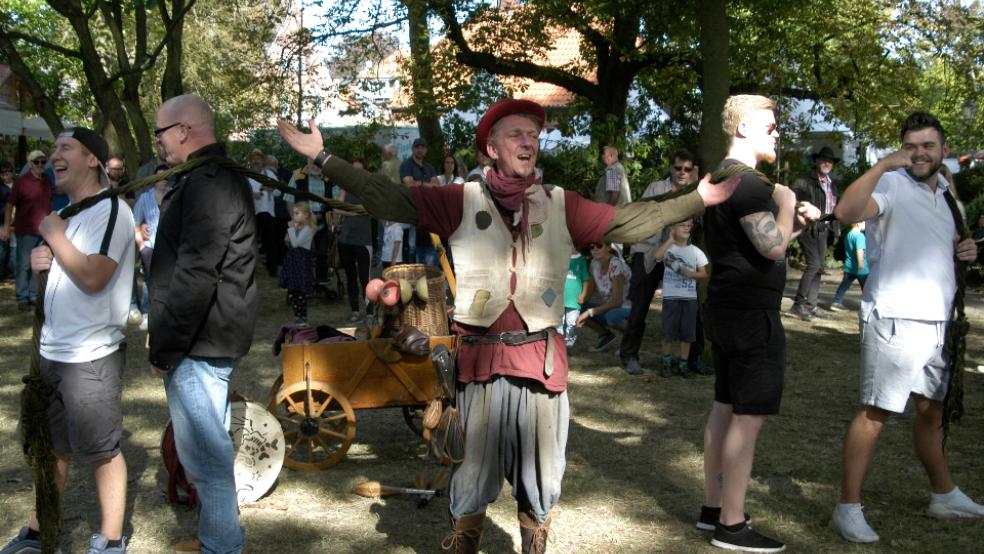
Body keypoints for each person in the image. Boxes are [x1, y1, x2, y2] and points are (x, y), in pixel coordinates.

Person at [278, 98, 737, 554]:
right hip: (478, 364)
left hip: (541, 363)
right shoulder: (460, 201)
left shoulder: (564, 205)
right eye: (516, 134)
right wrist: (323, 157)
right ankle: (465, 541)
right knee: (472, 472)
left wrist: (697, 198)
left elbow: (629, 221)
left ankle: (533, 544)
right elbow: (389, 197)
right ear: (491, 149)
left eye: (533, 136)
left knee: (541, 479)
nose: (528, 142)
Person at [830, 112, 983, 544]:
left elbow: (945, 246)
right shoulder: (892, 184)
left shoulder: (949, 191)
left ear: (944, 151)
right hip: (896, 316)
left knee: (931, 410)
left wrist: (965, 250)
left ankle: (944, 494)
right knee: (875, 411)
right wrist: (880, 165)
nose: (919, 153)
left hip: (939, 321)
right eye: (911, 145)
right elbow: (845, 212)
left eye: (928, 146)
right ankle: (848, 508)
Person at [2, 127, 135, 554]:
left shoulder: (113, 211)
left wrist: (53, 236)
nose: (55, 156)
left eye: (65, 148)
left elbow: (95, 276)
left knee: (100, 451)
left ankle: (111, 540)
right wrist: (45, 261)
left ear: (92, 159)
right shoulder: (72, 213)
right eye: (54, 148)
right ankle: (41, 532)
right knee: (50, 448)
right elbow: (69, 270)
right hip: (52, 352)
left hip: (91, 355)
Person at [699, 94, 820, 553]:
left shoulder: (721, 177)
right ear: (744, 128)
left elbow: (758, 242)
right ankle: (731, 525)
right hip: (751, 316)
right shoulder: (749, 185)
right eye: (770, 127)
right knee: (747, 419)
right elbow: (771, 248)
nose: (777, 133)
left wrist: (792, 221)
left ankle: (712, 510)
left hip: (727, 309)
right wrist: (788, 202)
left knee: (724, 408)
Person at [149, 94, 256, 554]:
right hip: (205, 340)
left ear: (184, 130)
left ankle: (221, 545)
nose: (158, 143)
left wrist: (165, 347)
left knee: (207, 463)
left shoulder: (209, 182)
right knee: (205, 460)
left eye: (160, 132)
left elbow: (197, 274)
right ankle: (219, 536)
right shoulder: (207, 178)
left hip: (199, 344)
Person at [620, 150, 699, 373]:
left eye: (687, 169)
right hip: (647, 253)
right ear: (671, 169)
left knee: (689, 308)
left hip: (678, 257)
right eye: (678, 168)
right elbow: (642, 215)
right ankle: (629, 356)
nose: (682, 173)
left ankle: (692, 359)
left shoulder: (694, 194)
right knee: (640, 308)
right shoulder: (656, 188)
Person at [791, 146, 840, 321]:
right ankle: (798, 304)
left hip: (824, 229)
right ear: (816, 161)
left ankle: (811, 305)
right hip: (808, 227)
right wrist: (803, 214)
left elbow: (835, 208)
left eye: (830, 161)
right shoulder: (805, 180)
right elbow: (793, 199)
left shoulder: (832, 184)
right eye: (824, 160)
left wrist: (836, 228)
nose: (827, 163)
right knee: (813, 265)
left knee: (819, 267)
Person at [654, 219, 707, 378]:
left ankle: (683, 365)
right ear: (673, 228)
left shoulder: (696, 251)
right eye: (682, 225)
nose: (687, 228)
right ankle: (666, 363)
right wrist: (670, 240)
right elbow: (657, 256)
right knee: (668, 332)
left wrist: (691, 274)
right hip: (671, 297)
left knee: (687, 334)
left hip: (689, 298)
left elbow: (704, 273)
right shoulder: (669, 249)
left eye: (689, 226)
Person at [2, 149, 52, 310]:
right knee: (23, 265)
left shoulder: (47, 180)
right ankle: (22, 297)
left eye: (43, 161)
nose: (40, 165)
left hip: (43, 230)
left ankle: (33, 295)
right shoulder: (21, 182)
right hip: (25, 229)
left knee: (37, 265)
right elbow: (10, 205)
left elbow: (54, 196)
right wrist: (6, 226)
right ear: (30, 164)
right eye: (36, 162)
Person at [132, 164, 171, 331]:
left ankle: (165, 311)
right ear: (153, 180)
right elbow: (135, 222)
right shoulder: (145, 198)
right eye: (159, 177)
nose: (163, 180)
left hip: (169, 247)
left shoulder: (173, 196)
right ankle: (147, 312)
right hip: (150, 245)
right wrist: (141, 245)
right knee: (148, 280)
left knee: (167, 279)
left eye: (166, 177)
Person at [336, 160, 373, 321]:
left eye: (359, 169)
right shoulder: (345, 187)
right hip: (346, 238)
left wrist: (348, 211)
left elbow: (370, 209)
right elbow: (337, 208)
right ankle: (355, 310)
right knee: (350, 276)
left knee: (365, 278)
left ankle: (370, 311)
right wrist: (356, 211)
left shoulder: (369, 189)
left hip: (364, 239)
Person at [577, 242, 631, 353]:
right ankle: (605, 336)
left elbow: (617, 301)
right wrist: (575, 306)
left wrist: (589, 312)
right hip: (611, 308)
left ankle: (631, 338)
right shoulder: (594, 263)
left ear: (609, 247)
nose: (595, 249)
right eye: (591, 246)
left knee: (612, 316)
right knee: (577, 306)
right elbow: (588, 292)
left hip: (628, 308)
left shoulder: (617, 265)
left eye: (599, 245)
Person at [280, 201, 316, 325]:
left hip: (301, 263)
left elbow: (295, 243)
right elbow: (288, 242)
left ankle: (303, 317)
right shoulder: (297, 228)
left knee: (300, 292)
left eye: (297, 213)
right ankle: (297, 316)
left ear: (305, 215)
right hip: (292, 262)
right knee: (292, 292)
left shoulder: (307, 229)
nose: (294, 216)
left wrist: (290, 229)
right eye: (294, 213)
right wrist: (289, 235)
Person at [248, 148, 280, 277]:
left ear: (263, 160)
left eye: (258, 158)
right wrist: (251, 194)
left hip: (267, 211)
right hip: (251, 212)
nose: (256, 161)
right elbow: (240, 192)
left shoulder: (269, 174)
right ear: (250, 161)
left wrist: (270, 188)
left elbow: (279, 192)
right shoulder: (246, 174)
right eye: (254, 158)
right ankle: (249, 270)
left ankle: (272, 269)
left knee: (270, 241)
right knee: (250, 242)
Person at [829, 221, 867, 311]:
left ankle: (836, 302)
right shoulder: (860, 236)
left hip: (849, 266)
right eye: (864, 222)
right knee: (866, 288)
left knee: (844, 286)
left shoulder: (848, 234)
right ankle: (868, 304)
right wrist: (860, 263)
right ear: (858, 223)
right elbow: (859, 250)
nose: (866, 224)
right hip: (861, 269)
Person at [559, 247, 592, 349]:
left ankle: (570, 339)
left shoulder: (581, 260)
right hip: (561, 296)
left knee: (571, 321)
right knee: (559, 320)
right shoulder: (561, 257)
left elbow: (586, 279)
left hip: (574, 299)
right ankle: (558, 340)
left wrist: (583, 294)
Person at [0, 162, 13, 280]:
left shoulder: (17, 185)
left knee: (13, 249)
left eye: (7, 174)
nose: (4, 177)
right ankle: (2, 273)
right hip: (2, 221)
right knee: (3, 249)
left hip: (16, 222)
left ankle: (10, 273)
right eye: (2, 174)